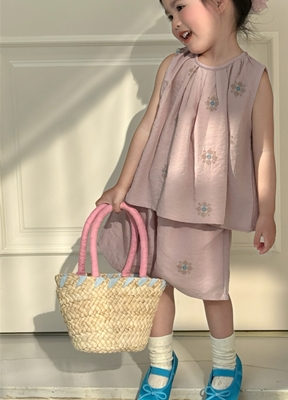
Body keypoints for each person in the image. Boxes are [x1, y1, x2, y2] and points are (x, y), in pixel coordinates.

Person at [96, 0, 276, 398]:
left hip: (207, 206)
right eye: (168, 16)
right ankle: (161, 362)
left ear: (220, 3)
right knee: (157, 284)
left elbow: (263, 149)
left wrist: (267, 212)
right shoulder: (173, 67)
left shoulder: (253, 78)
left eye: (180, 7)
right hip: (157, 195)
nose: (175, 22)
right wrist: (122, 186)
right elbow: (147, 128)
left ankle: (226, 363)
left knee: (213, 288)